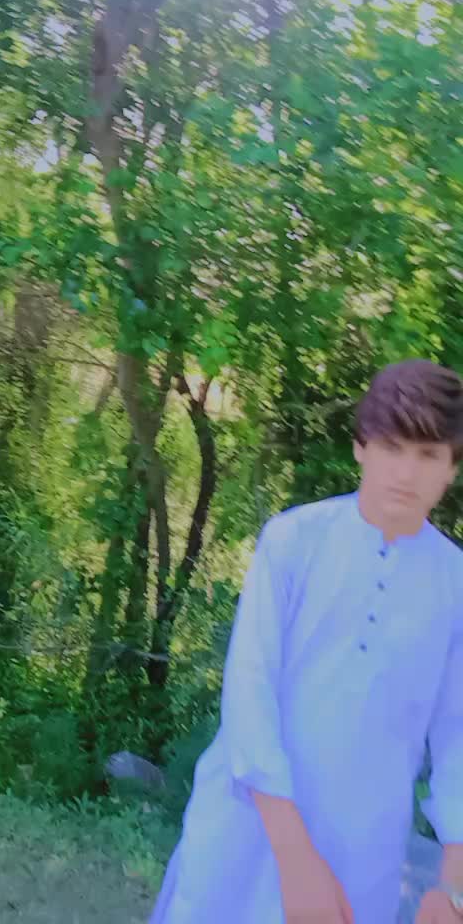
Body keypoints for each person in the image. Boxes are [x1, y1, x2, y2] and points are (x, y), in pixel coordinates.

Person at [150, 359, 463, 924]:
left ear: (452, 468)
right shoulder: (293, 541)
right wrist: (295, 860)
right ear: (361, 447)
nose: (406, 472)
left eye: (428, 455)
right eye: (392, 447)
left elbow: (457, 738)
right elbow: (249, 694)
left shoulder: (454, 582)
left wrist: (453, 886)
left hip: (362, 855)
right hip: (248, 830)